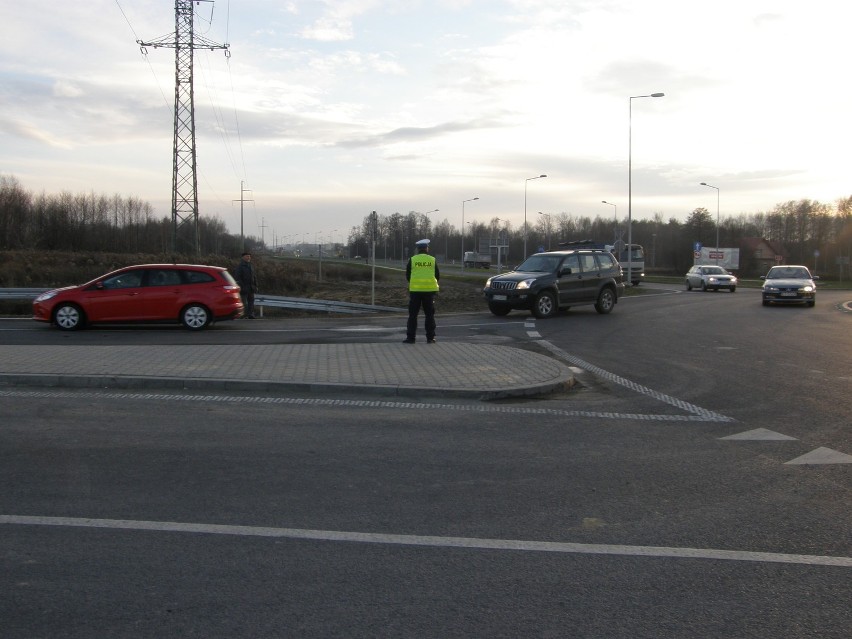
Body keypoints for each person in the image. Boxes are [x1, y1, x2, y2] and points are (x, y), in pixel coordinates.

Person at [404, 238, 440, 344]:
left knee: (413, 315)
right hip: (429, 292)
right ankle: (430, 338)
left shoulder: (413, 259)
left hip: (415, 291)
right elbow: (437, 275)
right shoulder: (432, 260)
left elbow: (408, 275)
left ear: (418, 249)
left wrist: (415, 283)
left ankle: (411, 338)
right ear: (426, 248)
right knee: (429, 315)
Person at [234, 251, 258, 318]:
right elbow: (237, 277)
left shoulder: (251, 266)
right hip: (244, 288)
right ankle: (244, 315)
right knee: (244, 302)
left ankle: (250, 314)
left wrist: (255, 286)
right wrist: (242, 286)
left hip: (251, 287)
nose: (249, 257)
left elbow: (254, 276)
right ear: (243, 257)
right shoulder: (240, 266)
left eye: (249, 256)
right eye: (247, 256)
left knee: (251, 302)